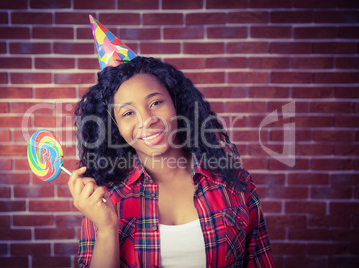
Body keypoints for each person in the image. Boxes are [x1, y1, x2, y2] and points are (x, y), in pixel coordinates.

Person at [68, 16, 274, 268]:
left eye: (155, 103)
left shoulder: (236, 185)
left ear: (176, 103)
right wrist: (107, 228)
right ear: (116, 128)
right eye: (128, 113)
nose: (147, 120)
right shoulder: (106, 197)